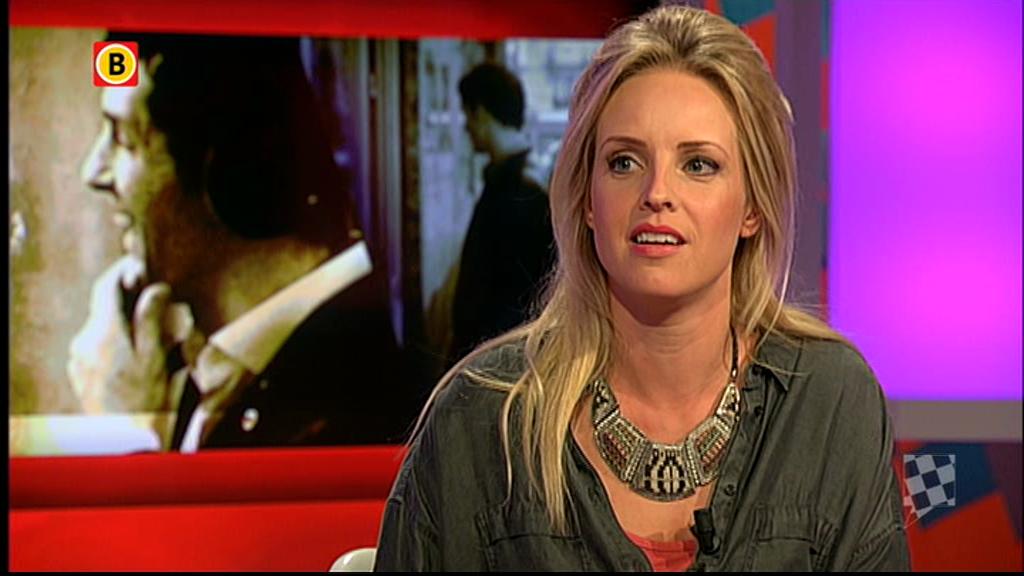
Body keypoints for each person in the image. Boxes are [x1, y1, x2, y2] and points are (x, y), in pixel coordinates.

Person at [376, 5, 909, 572]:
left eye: (698, 165)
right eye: (625, 162)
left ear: (753, 207)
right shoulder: (481, 419)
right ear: (587, 199)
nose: (657, 193)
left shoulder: (830, 404)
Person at [69, 33, 415, 451]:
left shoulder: (347, 400)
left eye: (124, 139)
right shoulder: (221, 363)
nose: (93, 172)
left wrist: (120, 433)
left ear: (229, 173)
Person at [450, 62, 556, 362]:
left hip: (500, 359)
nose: (466, 128)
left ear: (481, 114)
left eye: (467, 115)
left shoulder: (521, 190)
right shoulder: (511, 182)